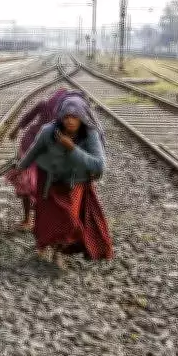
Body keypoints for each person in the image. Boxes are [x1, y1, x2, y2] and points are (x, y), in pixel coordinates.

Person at [15, 94, 113, 269]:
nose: (70, 121)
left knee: (69, 219)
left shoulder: (90, 134)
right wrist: (21, 166)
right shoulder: (48, 131)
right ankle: (50, 248)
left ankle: (59, 250)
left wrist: (72, 148)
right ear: (60, 117)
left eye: (75, 117)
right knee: (47, 218)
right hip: (49, 180)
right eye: (66, 117)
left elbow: (99, 165)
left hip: (75, 184)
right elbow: (34, 151)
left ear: (82, 117)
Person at [6, 88, 70, 230]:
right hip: (38, 149)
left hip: (31, 145)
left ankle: (28, 220)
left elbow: (27, 118)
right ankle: (36, 220)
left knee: (27, 183)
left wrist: (15, 130)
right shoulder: (65, 113)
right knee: (38, 184)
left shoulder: (45, 105)